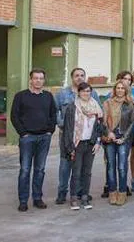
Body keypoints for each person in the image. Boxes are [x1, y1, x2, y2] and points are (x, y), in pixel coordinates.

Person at [11, 69, 57, 212]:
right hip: (27, 138)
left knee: (40, 169)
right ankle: (23, 200)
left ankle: (37, 198)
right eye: (35, 78)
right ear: (30, 80)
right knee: (25, 170)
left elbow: (53, 114)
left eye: (41, 78)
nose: (38, 81)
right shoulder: (21, 96)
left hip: (44, 137)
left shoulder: (48, 96)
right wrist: (23, 133)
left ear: (44, 80)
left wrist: (50, 131)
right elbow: (14, 116)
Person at [54, 68, 100, 204]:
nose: (79, 78)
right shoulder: (63, 94)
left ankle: (79, 192)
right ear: (71, 77)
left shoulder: (93, 93)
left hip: (85, 137)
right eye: (76, 75)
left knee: (81, 166)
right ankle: (62, 193)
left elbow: (98, 112)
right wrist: (63, 124)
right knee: (65, 164)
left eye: (82, 75)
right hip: (67, 136)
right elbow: (55, 111)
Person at [61, 83, 103, 210]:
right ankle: (74, 198)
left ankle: (84, 197)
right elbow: (68, 129)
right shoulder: (72, 108)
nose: (86, 94)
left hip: (90, 143)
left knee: (87, 172)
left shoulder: (96, 107)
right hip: (77, 144)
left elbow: (99, 127)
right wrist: (70, 147)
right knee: (76, 172)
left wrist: (97, 142)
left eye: (88, 91)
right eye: (83, 91)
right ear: (78, 93)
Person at [102, 80, 134, 206]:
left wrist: (124, 138)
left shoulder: (131, 104)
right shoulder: (107, 103)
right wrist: (108, 132)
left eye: (123, 88)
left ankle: (122, 192)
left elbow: (132, 123)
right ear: (114, 89)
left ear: (126, 90)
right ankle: (112, 192)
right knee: (111, 166)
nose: (120, 90)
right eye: (118, 88)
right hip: (110, 137)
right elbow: (103, 121)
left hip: (123, 138)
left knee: (122, 167)